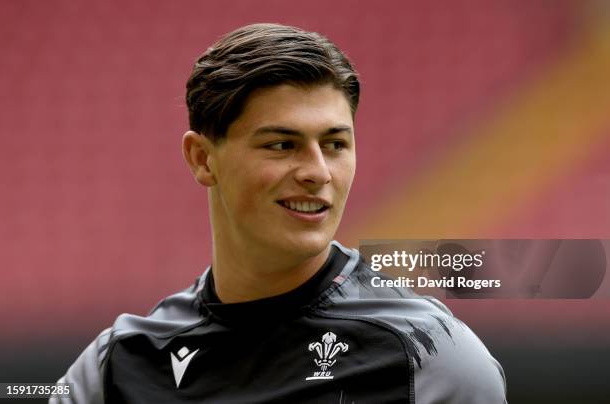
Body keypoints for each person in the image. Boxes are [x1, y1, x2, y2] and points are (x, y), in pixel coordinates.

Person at [53, 23, 507, 403]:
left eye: (335, 144)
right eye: (281, 145)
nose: (317, 172)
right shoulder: (117, 368)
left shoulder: (427, 358)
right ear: (202, 159)